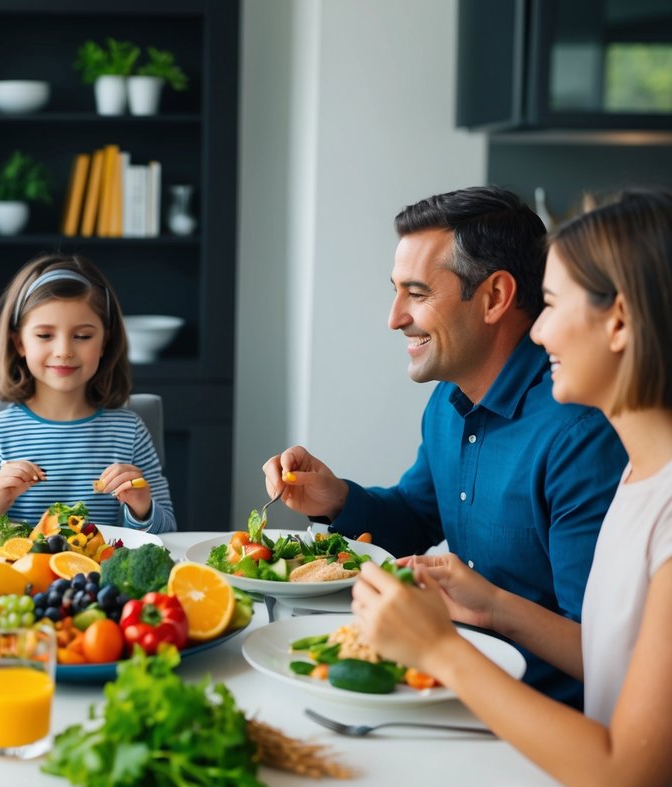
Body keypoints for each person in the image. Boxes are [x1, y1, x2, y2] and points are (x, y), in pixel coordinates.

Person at [353, 189, 672, 787]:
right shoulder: (642, 476)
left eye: (552, 304)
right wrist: (491, 606)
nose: (540, 328)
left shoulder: (634, 481)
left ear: (619, 322)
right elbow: (616, 659)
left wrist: (442, 650)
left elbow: (622, 785)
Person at [263, 186, 627, 707]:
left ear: (495, 297)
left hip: (537, 719)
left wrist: (490, 612)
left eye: (416, 293)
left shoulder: (578, 435)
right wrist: (337, 499)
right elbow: (416, 515)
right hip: (449, 686)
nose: (393, 318)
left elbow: (602, 650)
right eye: (395, 291)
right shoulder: (446, 402)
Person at [0, 253, 176, 538]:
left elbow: (166, 531)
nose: (64, 350)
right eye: (44, 335)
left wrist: (142, 508)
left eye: (82, 336)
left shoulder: (129, 432)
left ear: (105, 342)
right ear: (19, 343)